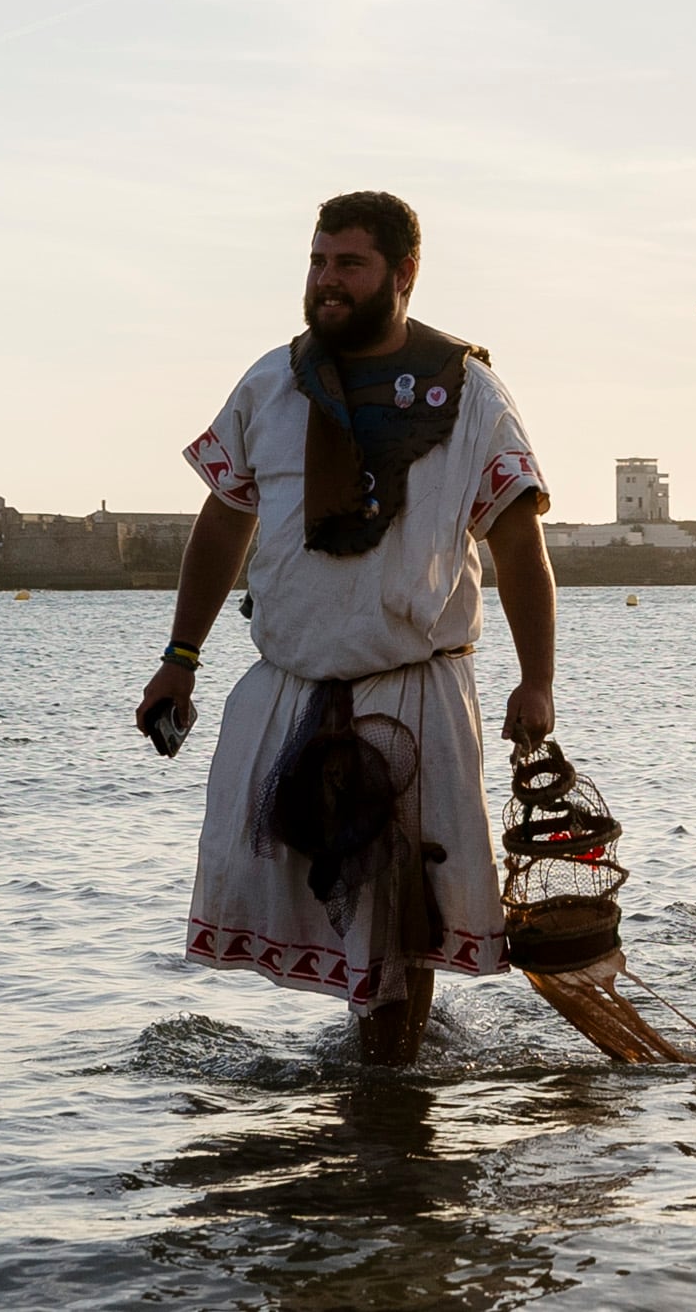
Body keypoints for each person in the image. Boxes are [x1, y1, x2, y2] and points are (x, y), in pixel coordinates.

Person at [138, 191, 558, 1066]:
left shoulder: (470, 394)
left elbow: (518, 542)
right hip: (291, 691)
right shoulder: (271, 383)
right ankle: (377, 1084)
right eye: (318, 262)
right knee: (307, 897)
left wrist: (537, 679)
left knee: (406, 914)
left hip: (416, 689)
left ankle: (390, 1097)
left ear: (403, 274)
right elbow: (223, 523)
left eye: (349, 264)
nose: (327, 282)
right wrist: (181, 657)